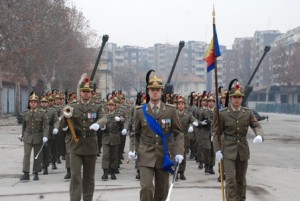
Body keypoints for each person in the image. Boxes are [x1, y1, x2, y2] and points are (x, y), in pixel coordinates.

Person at [129, 75, 184, 201]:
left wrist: (180, 152)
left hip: (164, 155)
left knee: (162, 191)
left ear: (161, 91)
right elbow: (134, 133)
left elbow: (178, 133)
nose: (155, 92)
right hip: (145, 153)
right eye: (152, 89)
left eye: (157, 89)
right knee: (146, 187)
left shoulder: (170, 110)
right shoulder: (139, 111)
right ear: (148, 91)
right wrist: (133, 149)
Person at [213, 83, 264, 201]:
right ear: (230, 98)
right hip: (228, 150)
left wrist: (259, 135)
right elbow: (216, 133)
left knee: (241, 180)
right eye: (234, 97)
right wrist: (217, 150)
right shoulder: (223, 113)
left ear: (242, 98)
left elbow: (256, 126)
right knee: (230, 179)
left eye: (239, 97)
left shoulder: (248, 113)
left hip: (242, 150)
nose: (237, 100)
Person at [61, 76, 105, 201]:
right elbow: (63, 124)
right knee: (75, 176)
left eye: (88, 91)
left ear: (91, 93)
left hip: (91, 145)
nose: (86, 94)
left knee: (89, 177)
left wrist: (99, 124)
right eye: (84, 91)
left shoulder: (97, 106)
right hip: (75, 145)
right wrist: (65, 117)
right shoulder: (72, 106)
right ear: (80, 92)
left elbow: (103, 117)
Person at [20, 92, 49, 181]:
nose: (33, 103)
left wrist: (45, 136)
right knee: (27, 155)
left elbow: (46, 125)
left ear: (37, 103)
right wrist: (22, 134)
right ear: (29, 103)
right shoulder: (26, 113)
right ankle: (26, 173)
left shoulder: (42, 113)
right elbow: (24, 125)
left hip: (38, 137)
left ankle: (36, 172)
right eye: (31, 102)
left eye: (35, 102)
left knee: (37, 155)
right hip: (28, 137)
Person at [101, 98, 127, 180]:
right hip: (106, 137)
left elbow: (124, 120)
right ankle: (105, 172)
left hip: (115, 138)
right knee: (105, 155)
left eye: (112, 105)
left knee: (114, 156)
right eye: (109, 105)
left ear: (115, 106)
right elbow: (101, 122)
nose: (110, 107)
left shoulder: (118, 114)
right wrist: (102, 127)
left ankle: (112, 171)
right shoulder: (105, 114)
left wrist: (120, 120)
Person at [176, 96, 198, 180]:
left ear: (184, 105)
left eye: (182, 104)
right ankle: (176, 171)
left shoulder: (188, 114)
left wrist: (193, 125)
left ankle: (181, 172)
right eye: (179, 104)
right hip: (175, 138)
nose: (181, 106)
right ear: (177, 105)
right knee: (175, 155)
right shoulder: (174, 113)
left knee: (183, 156)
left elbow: (194, 120)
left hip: (184, 138)